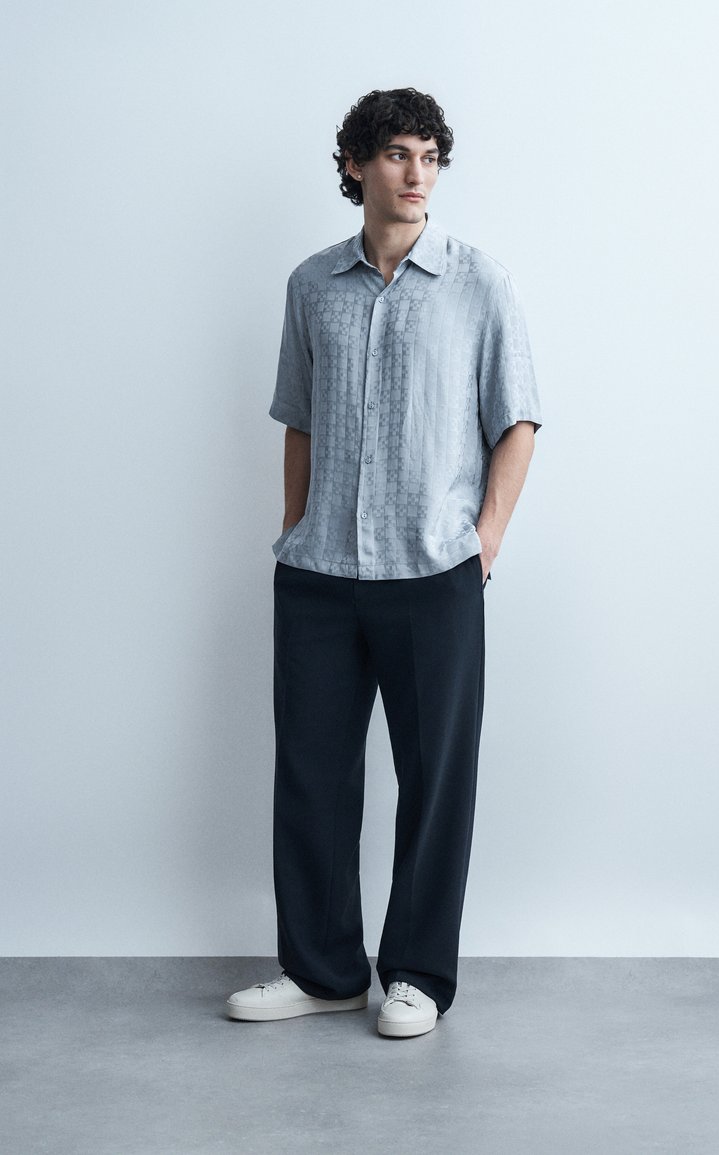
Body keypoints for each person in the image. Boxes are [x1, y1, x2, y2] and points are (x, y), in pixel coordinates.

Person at [227, 88, 542, 1038]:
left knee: (435, 777)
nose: (417, 176)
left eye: (431, 158)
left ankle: (415, 973)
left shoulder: (479, 283)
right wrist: (295, 529)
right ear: (358, 165)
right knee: (312, 774)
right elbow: (300, 422)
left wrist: (482, 539)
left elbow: (517, 420)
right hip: (320, 573)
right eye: (399, 155)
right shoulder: (310, 284)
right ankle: (322, 968)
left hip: (434, 572)